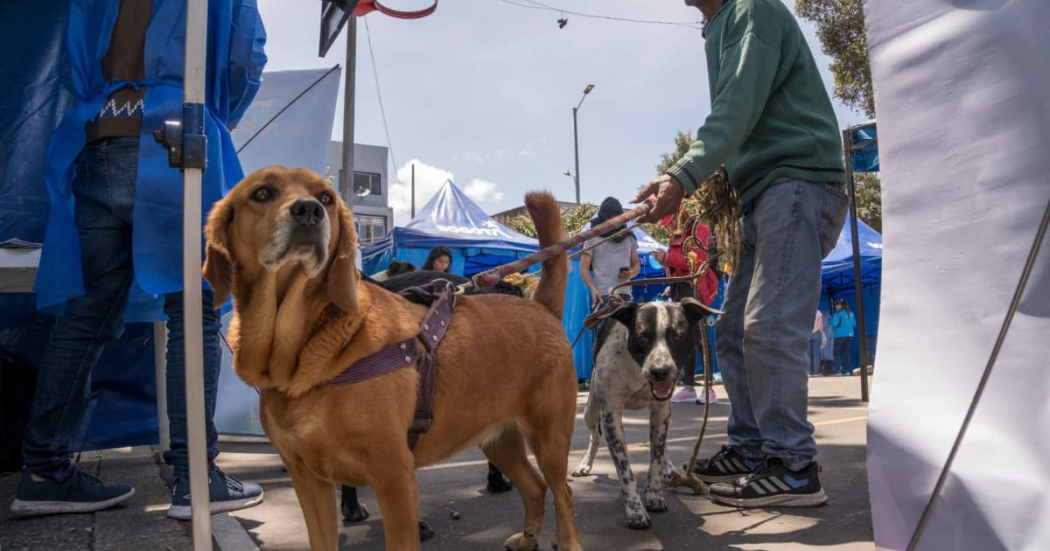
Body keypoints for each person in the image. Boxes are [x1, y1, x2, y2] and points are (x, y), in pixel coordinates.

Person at [11, 0, 267, 519]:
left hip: (97, 139)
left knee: (86, 315)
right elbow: (246, 57)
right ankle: (196, 478)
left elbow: (78, 55)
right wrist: (225, 113)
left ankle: (43, 472)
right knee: (191, 311)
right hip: (178, 137)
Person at [633, 0, 849, 507]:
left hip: (795, 181)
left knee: (769, 324)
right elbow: (736, 114)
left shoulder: (754, 9)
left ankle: (794, 465)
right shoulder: (718, 27)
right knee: (731, 329)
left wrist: (684, 176)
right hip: (763, 192)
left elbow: (738, 104)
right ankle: (752, 447)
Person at [652, 213, 720, 404]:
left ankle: (708, 389)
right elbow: (676, 263)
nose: (669, 226)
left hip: (695, 289)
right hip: (679, 289)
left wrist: (666, 258)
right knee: (683, 340)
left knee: (700, 338)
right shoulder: (677, 233)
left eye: (670, 221)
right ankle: (688, 386)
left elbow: (696, 262)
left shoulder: (701, 230)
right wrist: (665, 262)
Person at [580, 198, 640, 307]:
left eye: (616, 218)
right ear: (603, 218)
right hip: (602, 294)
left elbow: (636, 265)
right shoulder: (591, 237)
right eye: (610, 218)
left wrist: (631, 273)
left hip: (625, 294)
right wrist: (593, 289)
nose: (613, 222)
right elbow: (583, 268)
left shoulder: (629, 236)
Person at [831, 299, 857, 375]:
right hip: (850, 335)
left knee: (836, 353)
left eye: (837, 304)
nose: (835, 306)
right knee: (846, 353)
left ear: (840, 305)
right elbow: (855, 324)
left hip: (839, 336)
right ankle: (847, 371)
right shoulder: (851, 313)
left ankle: (837, 370)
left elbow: (834, 323)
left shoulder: (838, 314)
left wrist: (829, 321)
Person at [808, 309, 825, 377]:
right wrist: (813, 332)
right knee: (816, 354)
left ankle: (809, 371)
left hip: (806, 333)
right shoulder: (818, 312)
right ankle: (816, 372)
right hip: (816, 333)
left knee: (808, 354)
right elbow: (819, 325)